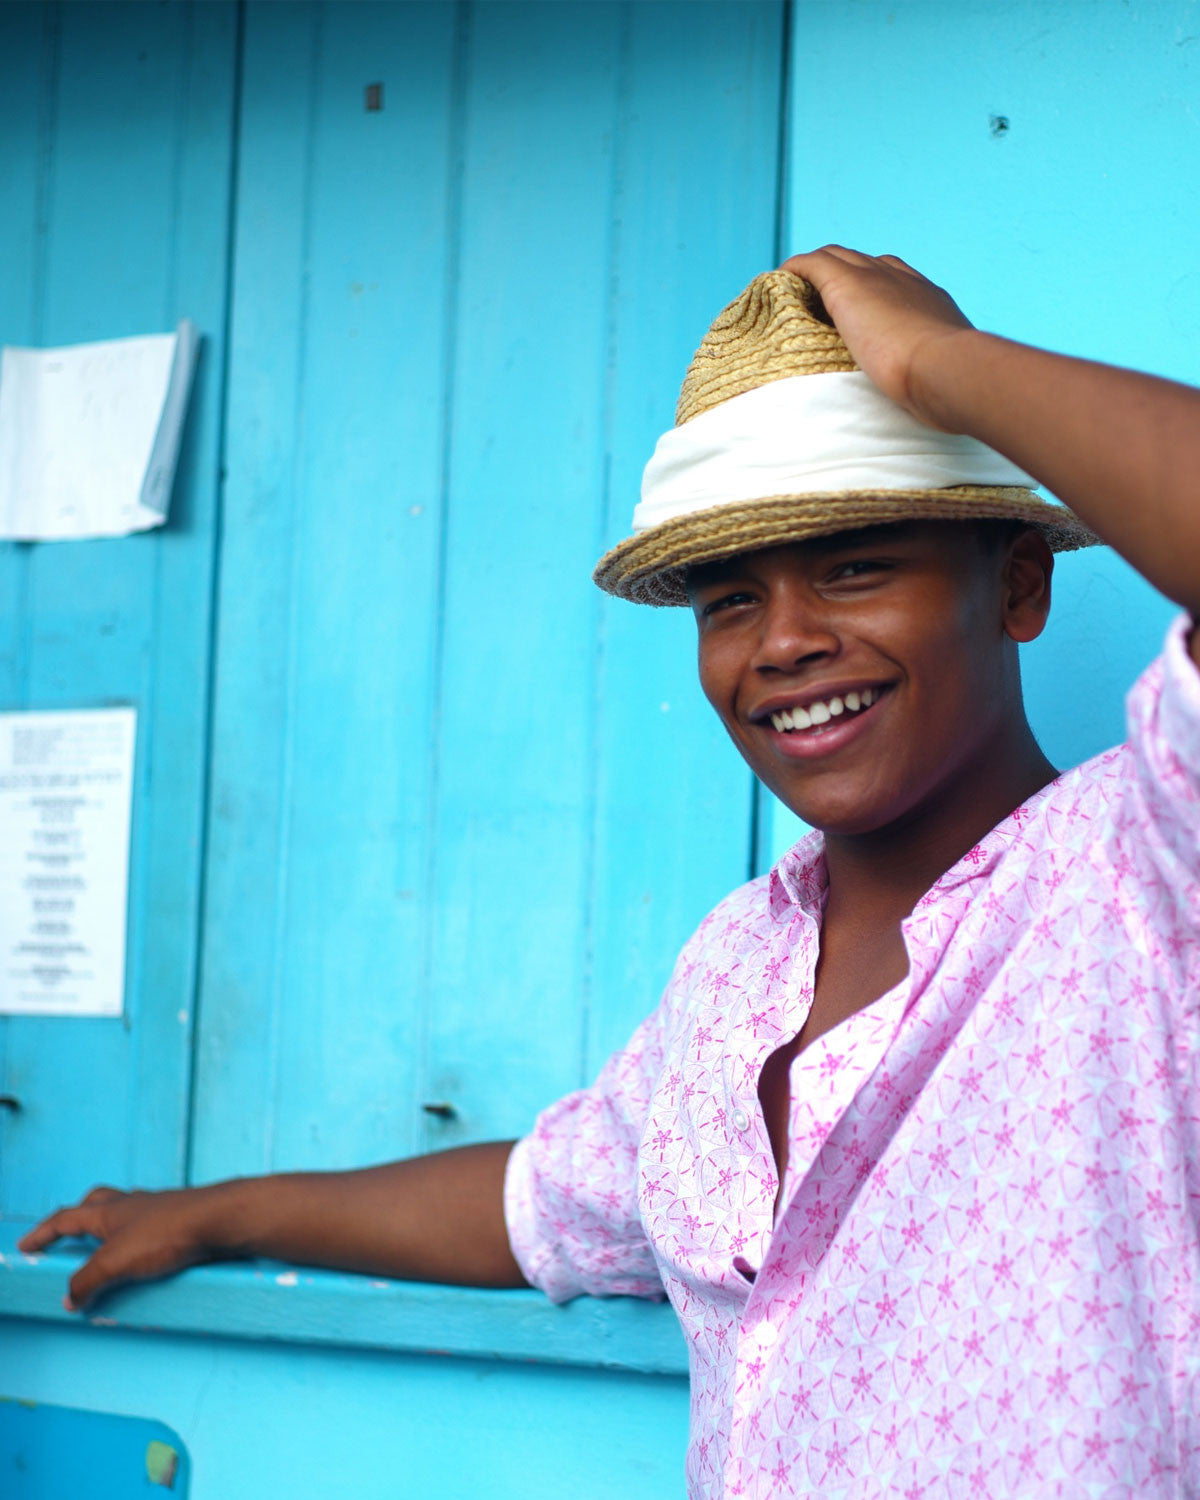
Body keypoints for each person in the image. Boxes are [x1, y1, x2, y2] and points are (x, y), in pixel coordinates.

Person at [21, 249, 1200, 1497]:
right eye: (730, 600)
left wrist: (933, 368)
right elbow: (548, 1200)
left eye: (855, 565)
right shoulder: (739, 966)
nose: (787, 641)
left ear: (1018, 584)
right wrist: (217, 1213)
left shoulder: (1141, 870)